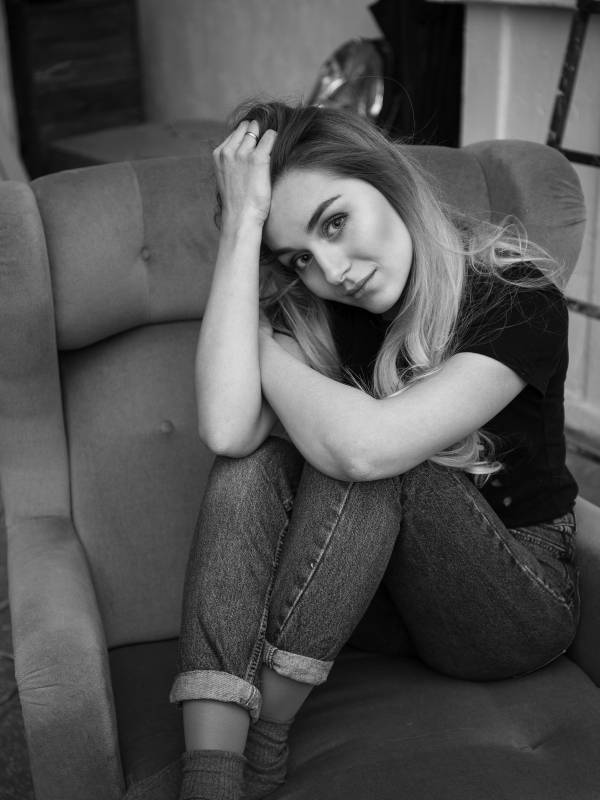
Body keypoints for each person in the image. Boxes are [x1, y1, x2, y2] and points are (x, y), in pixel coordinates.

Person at [169, 101, 579, 800]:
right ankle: (209, 774)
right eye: (299, 258)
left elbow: (365, 452)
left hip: (510, 605)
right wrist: (241, 229)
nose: (333, 270)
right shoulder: (324, 314)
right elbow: (229, 432)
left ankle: (262, 745)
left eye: (335, 222)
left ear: (387, 180)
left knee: (368, 455)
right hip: (381, 609)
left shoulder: (516, 297)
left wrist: (259, 345)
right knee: (255, 462)